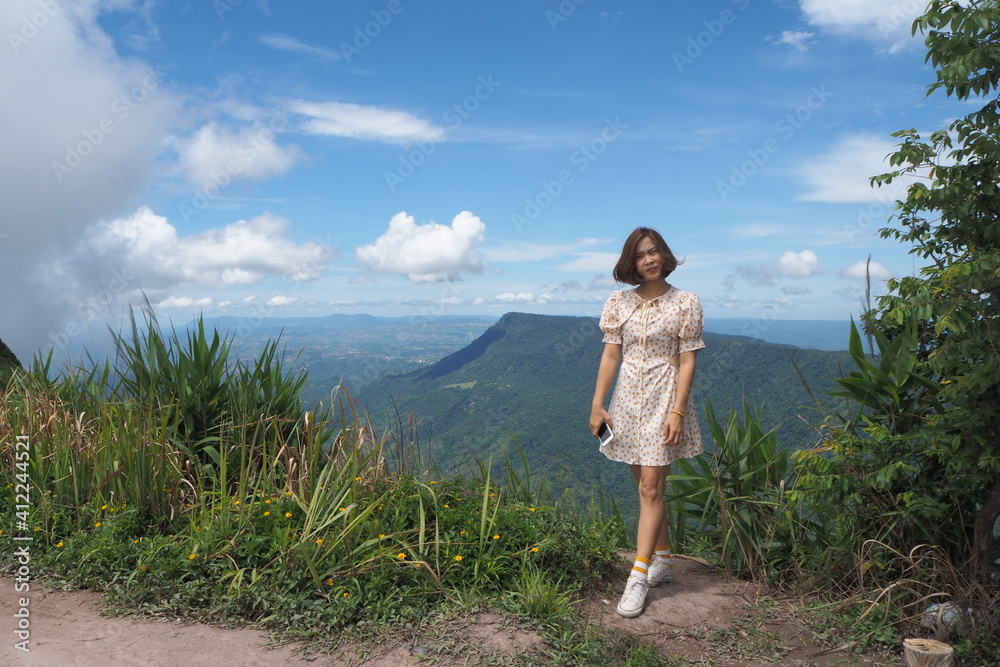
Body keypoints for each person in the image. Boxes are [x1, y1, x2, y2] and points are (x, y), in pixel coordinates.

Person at [589, 227, 705, 618]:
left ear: (664, 255)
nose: (649, 259)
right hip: (626, 402)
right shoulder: (619, 303)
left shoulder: (685, 303)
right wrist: (597, 404)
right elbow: (610, 357)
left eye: (654, 251)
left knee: (652, 488)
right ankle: (664, 559)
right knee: (645, 485)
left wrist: (677, 410)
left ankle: (637, 577)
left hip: (663, 400)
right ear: (631, 262)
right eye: (640, 255)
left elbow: (688, 360)